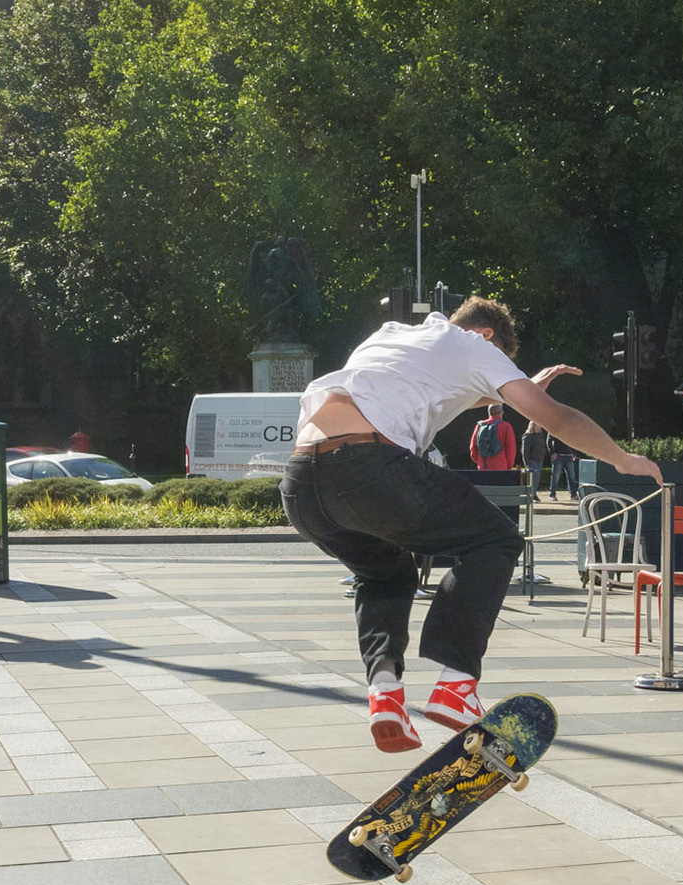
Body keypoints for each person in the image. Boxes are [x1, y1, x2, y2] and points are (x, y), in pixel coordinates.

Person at [282, 296, 662, 751]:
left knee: (384, 573)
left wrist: (518, 385)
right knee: (496, 540)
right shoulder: (474, 346)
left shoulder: (392, 335)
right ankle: (456, 684)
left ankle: (385, 693)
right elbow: (557, 418)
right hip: (367, 467)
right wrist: (621, 459)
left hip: (301, 484)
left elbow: (450, 388)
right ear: (486, 335)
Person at [469, 403, 518, 471]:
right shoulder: (506, 426)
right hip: (501, 466)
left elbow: (473, 447)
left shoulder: (480, 426)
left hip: (483, 465)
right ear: (501, 413)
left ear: (489, 413)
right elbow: (510, 449)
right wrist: (509, 466)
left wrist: (479, 461)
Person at [547, 430, 578, 498]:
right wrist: (552, 452)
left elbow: (572, 442)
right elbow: (549, 441)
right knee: (556, 476)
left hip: (569, 455)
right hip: (558, 455)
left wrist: (574, 453)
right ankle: (552, 494)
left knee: (571, 476)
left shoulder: (570, 429)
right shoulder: (555, 428)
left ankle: (573, 494)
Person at [521, 419, 550, 490]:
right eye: (538, 425)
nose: (540, 426)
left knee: (537, 477)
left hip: (540, 459)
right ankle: (532, 493)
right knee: (535, 478)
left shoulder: (540, 434)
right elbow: (525, 450)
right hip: (532, 460)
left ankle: (533, 492)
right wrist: (526, 463)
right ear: (533, 426)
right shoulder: (528, 435)